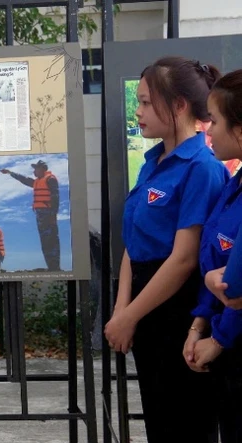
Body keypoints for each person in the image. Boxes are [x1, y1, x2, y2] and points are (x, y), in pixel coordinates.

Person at [104, 57, 227, 443]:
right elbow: (133, 243)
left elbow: (184, 259)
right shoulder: (153, 162)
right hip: (144, 301)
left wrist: (129, 316)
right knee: (158, 416)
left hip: (178, 306)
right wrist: (122, 309)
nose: (137, 111)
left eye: (144, 102)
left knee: (185, 421)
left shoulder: (201, 168)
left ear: (178, 106)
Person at [185, 69, 242, 441]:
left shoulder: (206, 171)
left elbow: (234, 288)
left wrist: (218, 339)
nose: (208, 130)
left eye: (216, 121)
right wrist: (199, 325)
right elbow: (215, 265)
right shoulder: (234, 182)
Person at [0, 160, 60, 271]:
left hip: (48, 215)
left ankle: (55, 267)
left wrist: (53, 215)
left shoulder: (50, 179)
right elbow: (24, 179)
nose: (34, 171)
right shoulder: (37, 181)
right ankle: (51, 267)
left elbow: (55, 197)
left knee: (51, 241)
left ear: (42, 169)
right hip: (40, 216)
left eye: (36, 168)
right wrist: (9, 172)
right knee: (45, 242)